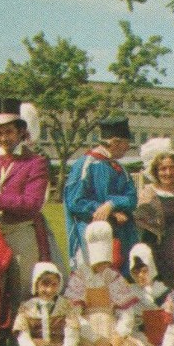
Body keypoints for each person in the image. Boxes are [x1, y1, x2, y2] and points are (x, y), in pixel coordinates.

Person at [0, 99, 64, 346]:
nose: (3, 138)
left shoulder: (36, 162)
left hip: (22, 233)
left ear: (21, 131)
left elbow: (32, 203)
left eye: (9, 132)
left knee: (22, 293)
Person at [63, 221, 156, 346]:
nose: (103, 267)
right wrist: (95, 338)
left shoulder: (113, 277)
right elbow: (74, 315)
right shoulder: (80, 277)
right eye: (99, 264)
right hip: (88, 330)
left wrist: (119, 335)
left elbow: (126, 312)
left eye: (106, 263)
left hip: (111, 326)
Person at [0, 262, 88, 346]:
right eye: (45, 284)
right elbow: (24, 340)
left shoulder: (66, 306)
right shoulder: (27, 308)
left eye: (54, 285)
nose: (49, 290)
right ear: (36, 285)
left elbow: (72, 337)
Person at [64, 116, 139, 277]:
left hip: (121, 236)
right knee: (94, 282)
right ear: (115, 142)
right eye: (126, 144)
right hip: (92, 236)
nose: (128, 148)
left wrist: (112, 204)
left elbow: (132, 198)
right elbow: (75, 202)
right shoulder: (85, 165)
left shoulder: (120, 168)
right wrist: (105, 210)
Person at [134, 137, 174, 288]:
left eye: (171, 167)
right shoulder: (148, 193)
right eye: (162, 169)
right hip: (162, 252)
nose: (168, 172)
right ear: (155, 172)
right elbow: (142, 228)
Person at [127, 243, 170, 346]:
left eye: (144, 271)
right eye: (136, 272)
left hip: (165, 340)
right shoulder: (131, 293)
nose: (140, 276)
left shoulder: (163, 291)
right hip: (141, 341)